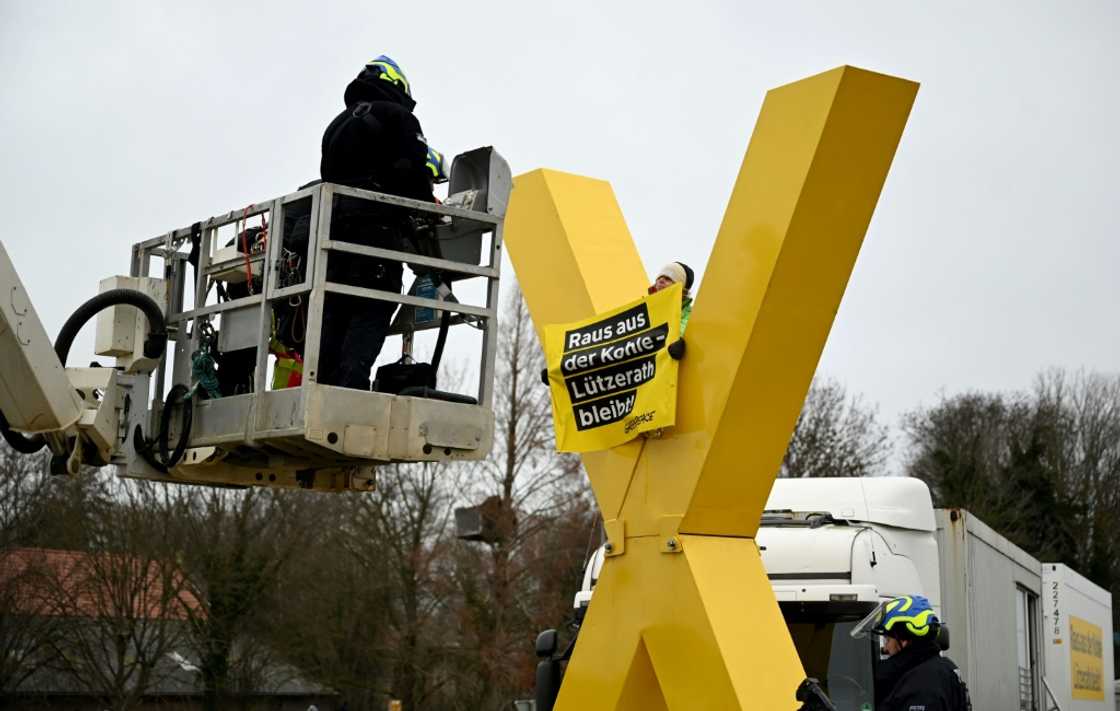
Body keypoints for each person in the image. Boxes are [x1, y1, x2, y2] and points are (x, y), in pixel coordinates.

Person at [317, 55, 437, 390]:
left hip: (335, 242)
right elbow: (413, 176)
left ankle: (323, 393)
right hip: (377, 241)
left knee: (335, 317)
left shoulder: (336, 126)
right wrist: (431, 208)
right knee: (369, 314)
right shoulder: (399, 117)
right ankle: (349, 397)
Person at [870, 595, 972, 711]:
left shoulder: (922, 684)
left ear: (904, 640)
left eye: (888, 640)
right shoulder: (942, 668)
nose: (885, 648)